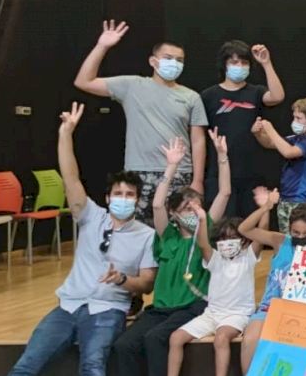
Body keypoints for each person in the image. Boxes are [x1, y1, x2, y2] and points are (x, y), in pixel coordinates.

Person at [0, 103, 156, 376]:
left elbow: (147, 284)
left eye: (129, 195)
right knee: (24, 366)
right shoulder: (91, 217)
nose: (123, 199)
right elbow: (70, 178)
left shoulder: (146, 235)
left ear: (137, 201)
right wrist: (65, 134)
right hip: (68, 305)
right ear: (108, 197)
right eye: (118, 194)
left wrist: (123, 279)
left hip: (107, 310)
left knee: (93, 361)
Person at [100, 131, 232, 376]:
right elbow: (158, 203)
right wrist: (171, 167)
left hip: (192, 306)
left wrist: (222, 157)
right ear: (174, 215)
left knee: (156, 338)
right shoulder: (167, 237)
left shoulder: (204, 233)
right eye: (185, 208)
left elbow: (225, 192)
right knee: (125, 343)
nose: (192, 212)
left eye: (196, 207)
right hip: (161, 307)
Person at [74, 20, 209, 223]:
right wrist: (102, 46)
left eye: (179, 60)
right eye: (168, 58)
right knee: (137, 229)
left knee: (176, 231)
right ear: (153, 61)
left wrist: (197, 180)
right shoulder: (132, 85)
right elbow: (84, 81)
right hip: (138, 172)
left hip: (179, 173)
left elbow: (198, 140)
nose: (174, 63)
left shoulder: (191, 97)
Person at [159, 215, 261, 376]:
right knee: (176, 338)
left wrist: (266, 207)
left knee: (221, 337)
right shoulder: (214, 259)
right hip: (212, 313)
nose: (227, 242)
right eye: (223, 238)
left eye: (233, 238)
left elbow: (261, 232)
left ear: (244, 240)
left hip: (237, 314)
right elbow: (203, 242)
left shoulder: (249, 257)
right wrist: (202, 220)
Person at [237, 191, 306, 376]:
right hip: (269, 308)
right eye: (296, 232)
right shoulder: (280, 242)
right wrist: (266, 208)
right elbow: (244, 229)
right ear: (289, 230)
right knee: (250, 340)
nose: (300, 237)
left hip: (302, 312)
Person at [200, 40, 286, 218]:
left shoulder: (256, 92)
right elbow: (198, 136)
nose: (239, 66)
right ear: (224, 65)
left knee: (252, 225)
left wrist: (266, 63)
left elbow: (277, 96)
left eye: (244, 62)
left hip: (252, 173)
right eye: (234, 62)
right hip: (219, 172)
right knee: (221, 226)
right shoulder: (208, 96)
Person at [251, 98, 306, 233]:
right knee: (285, 240)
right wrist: (258, 133)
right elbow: (270, 143)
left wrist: (270, 129)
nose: (294, 122)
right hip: (286, 198)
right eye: (294, 117)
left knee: (301, 240)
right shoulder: (296, 138)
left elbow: (289, 152)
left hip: (302, 199)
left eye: (299, 118)